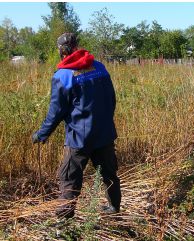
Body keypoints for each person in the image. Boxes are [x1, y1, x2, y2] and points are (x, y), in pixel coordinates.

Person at [32, 33, 121, 218]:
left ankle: (64, 222)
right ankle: (114, 208)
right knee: (109, 174)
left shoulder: (63, 75)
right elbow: (111, 99)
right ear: (76, 46)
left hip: (79, 139)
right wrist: (103, 122)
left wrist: (42, 134)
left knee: (69, 179)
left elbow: (56, 112)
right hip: (104, 134)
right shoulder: (100, 67)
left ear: (61, 51)